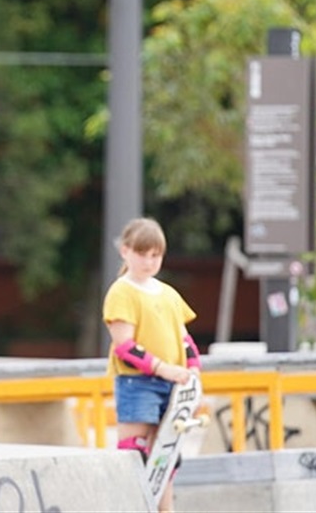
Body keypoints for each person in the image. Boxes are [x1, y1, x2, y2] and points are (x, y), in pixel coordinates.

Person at [102, 217, 200, 513]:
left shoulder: (168, 293)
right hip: (138, 383)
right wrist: (162, 368)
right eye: (142, 254)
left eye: (155, 255)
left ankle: (165, 509)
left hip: (172, 383)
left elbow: (185, 340)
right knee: (136, 454)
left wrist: (194, 373)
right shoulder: (122, 291)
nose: (148, 261)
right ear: (125, 251)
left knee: (165, 456)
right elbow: (125, 347)